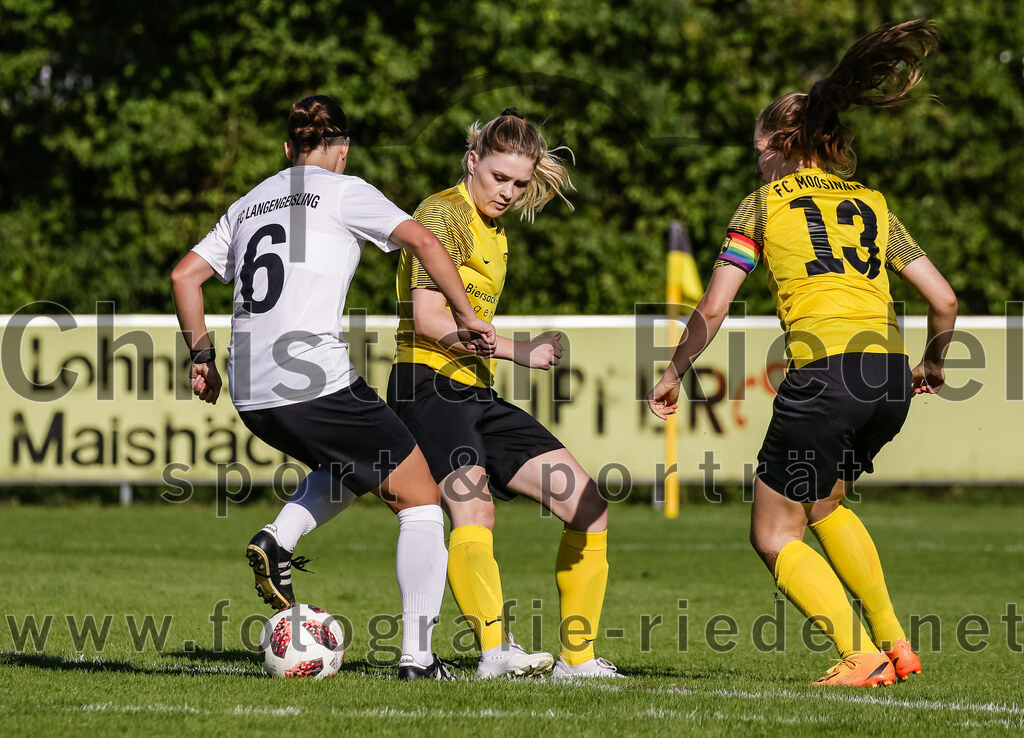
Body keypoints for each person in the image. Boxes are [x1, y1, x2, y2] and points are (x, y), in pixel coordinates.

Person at [647, 20, 955, 687]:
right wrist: (932, 363)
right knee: (824, 507)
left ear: (782, 145)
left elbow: (715, 307)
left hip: (826, 377)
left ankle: (859, 655)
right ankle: (896, 644)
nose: (757, 161)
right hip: (890, 378)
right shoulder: (873, 204)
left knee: (773, 534)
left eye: (760, 149)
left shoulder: (764, 204)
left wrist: (673, 370)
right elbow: (945, 300)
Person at [170, 94, 496, 681]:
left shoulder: (248, 204)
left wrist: (201, 355)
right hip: (311, 380)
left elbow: (184, 275)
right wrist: (468, 315)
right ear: (341, 152)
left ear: (287, 149)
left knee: (362, 464)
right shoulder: (345, 190)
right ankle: (419, 660)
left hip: (251, 391)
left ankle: (277, 539)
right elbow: (424, 240)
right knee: (421, 499)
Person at [386, 108, 621, 680]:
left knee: (587, 505)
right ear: (472, 163)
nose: (509, 193)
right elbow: (426, 317)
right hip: (426, 385)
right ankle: (495, 654)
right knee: (474, 507)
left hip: (473, 390)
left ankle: (577, 660)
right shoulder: (443, 213)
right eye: (499, 178)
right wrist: (522, 350)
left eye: (519, 184)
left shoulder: (496, 232)